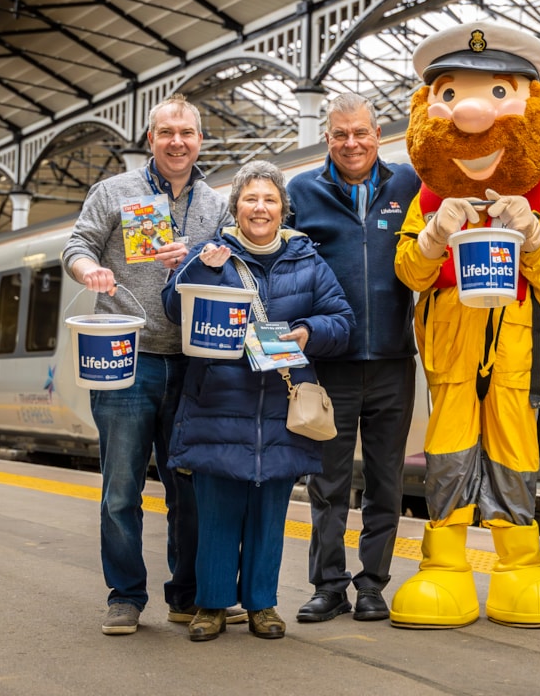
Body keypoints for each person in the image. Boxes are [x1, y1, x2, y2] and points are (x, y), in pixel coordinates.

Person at [391, 22, 540, 628]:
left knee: (515, 454)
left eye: (499, 93)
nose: (472, 112)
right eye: (450, 94)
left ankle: (519, 566)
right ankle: (444, 564)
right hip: (451, 354)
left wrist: (531, 232)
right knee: (447, 452)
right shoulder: (427, 201)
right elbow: (409, 270)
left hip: (517, 358)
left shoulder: (538, 198)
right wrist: (433, 236)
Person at [61, 93, 234, 635]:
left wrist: (205, 260)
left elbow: (236, 270)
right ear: (151, 139)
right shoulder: (114, 192)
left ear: (200, 140)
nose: (177, 142)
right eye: (166, 133)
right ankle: (125, 596)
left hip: (192, 362)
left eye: (187, 133)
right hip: (124, 358)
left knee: (189, 490)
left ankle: (186, 595)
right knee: (121, 488)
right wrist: (89, 271)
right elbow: (77, 245)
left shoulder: (217, 205)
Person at [162, 160, 354, 641]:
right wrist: (199, 270)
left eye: (270, 199)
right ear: (236, 208)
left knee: (270, 514)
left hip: (280, 409)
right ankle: (210, 605)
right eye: (251, 199)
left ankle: (262, 605)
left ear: (283, 208)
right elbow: (172, 307)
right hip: (218, 403)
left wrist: (308, 331)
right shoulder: (213, 254)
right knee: (217, 513)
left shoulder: (307, 261)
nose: (260, 208)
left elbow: (342, 321)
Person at [287, 93, 421, 623]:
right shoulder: (302, 191)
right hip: (330, 364)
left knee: (387, 481)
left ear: (378, 134)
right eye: (340, 134)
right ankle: (328, 586)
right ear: (327, 138)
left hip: (393, 359)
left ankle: (372, 586)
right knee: (327, 484)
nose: (351, 143)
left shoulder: (408, 184)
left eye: (360, 132)